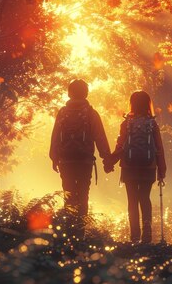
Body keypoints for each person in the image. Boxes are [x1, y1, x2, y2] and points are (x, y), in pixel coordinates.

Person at [49, 79, 111, 236]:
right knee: (83, 194)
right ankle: (80, 233)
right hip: (84, 161)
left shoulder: (62, 113)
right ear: (86, 93)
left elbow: (55, 136)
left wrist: (54, 157)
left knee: (68, 193)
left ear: (69, 93)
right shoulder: (91, 113)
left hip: (66, 160)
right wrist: (107, 159)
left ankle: (68, 231)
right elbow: (100, 137)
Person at [104, 90, 167, 243]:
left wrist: (110, 161)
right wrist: (162, 169)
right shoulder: (152, 124)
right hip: (148, 167)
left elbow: (120, 146)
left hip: (129, 167)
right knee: (145, 198)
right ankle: (147, 234)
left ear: (132, 104)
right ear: (147, 104)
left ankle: (134, 236)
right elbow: (159, 147)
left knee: (132, 200)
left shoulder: (126, 123)